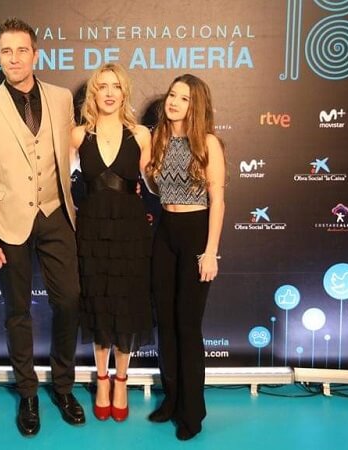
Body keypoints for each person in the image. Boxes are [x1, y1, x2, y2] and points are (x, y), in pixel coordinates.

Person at [0, 18, 84, 436]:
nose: (13, 59)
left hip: (56, 213)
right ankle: (28, 392)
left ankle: (63, 386)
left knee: (69, 301)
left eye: (21, 50)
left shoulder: (61, 98)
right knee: (18, 312)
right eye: (5, 52)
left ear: (35, 54)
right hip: (7, 220)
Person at [143, 74, 226, 441]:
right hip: (165, 230)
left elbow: (217, 200)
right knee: (165, 323)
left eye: (184, 98)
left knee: (188, 327)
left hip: (195, 233)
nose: (174, 102)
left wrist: (210, 252)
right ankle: (172, 400)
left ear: (196, 106)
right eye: (172, 95)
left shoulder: (208, 143)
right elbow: (152, 185)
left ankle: (193, 411)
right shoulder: (158, 138)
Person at [69, 63, 153, 422]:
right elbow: (60, 184)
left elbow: (153, 185)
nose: (108, 92)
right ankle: (101, 380)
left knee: (125, 303)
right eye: (101, 86)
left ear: (124, 92)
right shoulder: (77, 135)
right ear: (93, 93)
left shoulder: (141, 135)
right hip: (90, 231)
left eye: (115, 86)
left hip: (130, 232)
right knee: (98, 303)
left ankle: (122, 380)